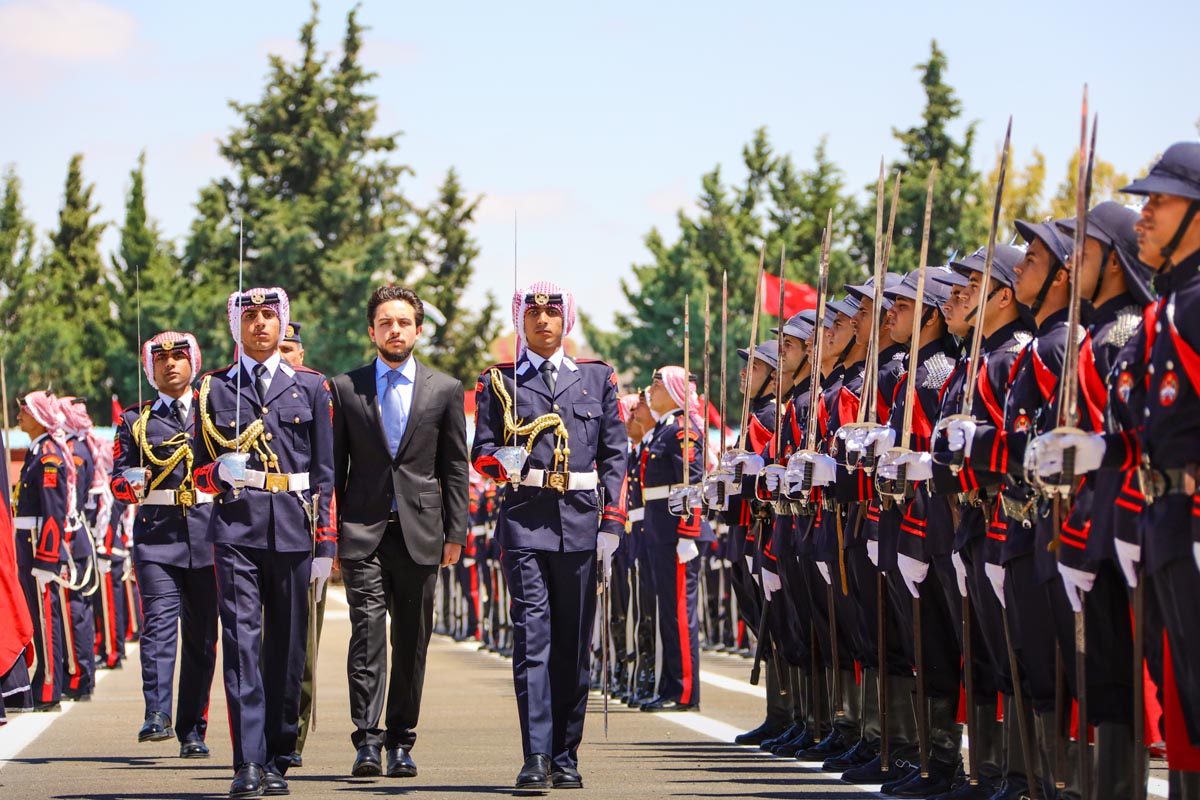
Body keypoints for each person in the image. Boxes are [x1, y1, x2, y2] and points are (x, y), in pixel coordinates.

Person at [471, 281, 627, 791]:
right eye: (533, 313)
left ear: (567, 319)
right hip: (524, 520)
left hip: (581, 523)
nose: (543, 320)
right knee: (532, 640)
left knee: (572, 646)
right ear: (521, 321)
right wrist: (500, 461)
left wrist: (612, 523)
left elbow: (615, 455)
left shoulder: (597, 378)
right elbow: (481, 452)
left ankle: (566, 753)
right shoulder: (500, 380)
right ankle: (536, 755)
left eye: (552, 312)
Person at [192, 287, 336, 798]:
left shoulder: (312, 388)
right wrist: (216, 471)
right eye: (249, 316)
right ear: (236, 325)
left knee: (288, 649)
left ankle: (278, 752)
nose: (259, 325)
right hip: (236, 529)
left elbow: (324, 474)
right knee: (241, 645)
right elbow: (194, 470)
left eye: (268, 316)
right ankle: (247, 762)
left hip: (296, 529)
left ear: (283, 324)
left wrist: (327, 548)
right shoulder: (213, 390)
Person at [329, 286, 469, 779]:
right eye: (385, 322)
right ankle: (366, 740)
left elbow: (455, 465)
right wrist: (331, 538)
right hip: (362, 529)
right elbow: (334, 468)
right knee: (366, 634)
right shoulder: (345, 389)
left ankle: (400, 741)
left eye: (404, 322)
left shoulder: (445, 390)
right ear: (372, 331)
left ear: (418, 329)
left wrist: (457, 532)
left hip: (421, 532)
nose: (395, 330)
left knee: (412, 640)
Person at [111, 331, 218, 757]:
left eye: (178, 356)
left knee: (202, 639)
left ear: (193, 362)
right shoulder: (135, 420)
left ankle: (193, 728)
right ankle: (156, 713)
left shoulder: (214, 412)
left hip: (210, 535)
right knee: (157, 629)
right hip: (157, 536)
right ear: (149, 368)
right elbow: (117, 477)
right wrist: (127, 484)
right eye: (161, 359)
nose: (170, 364)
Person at [12, 391, 73, 712]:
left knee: (47, 617)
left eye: (24, 411)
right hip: (28, 540)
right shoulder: (37, 451)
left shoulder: (48, 456)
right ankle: (47, 677)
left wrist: (48, 557)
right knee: (39, 616)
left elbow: (54, 511)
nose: (19, 416)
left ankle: (49, 683)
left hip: (39, 544)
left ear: (38, 416)